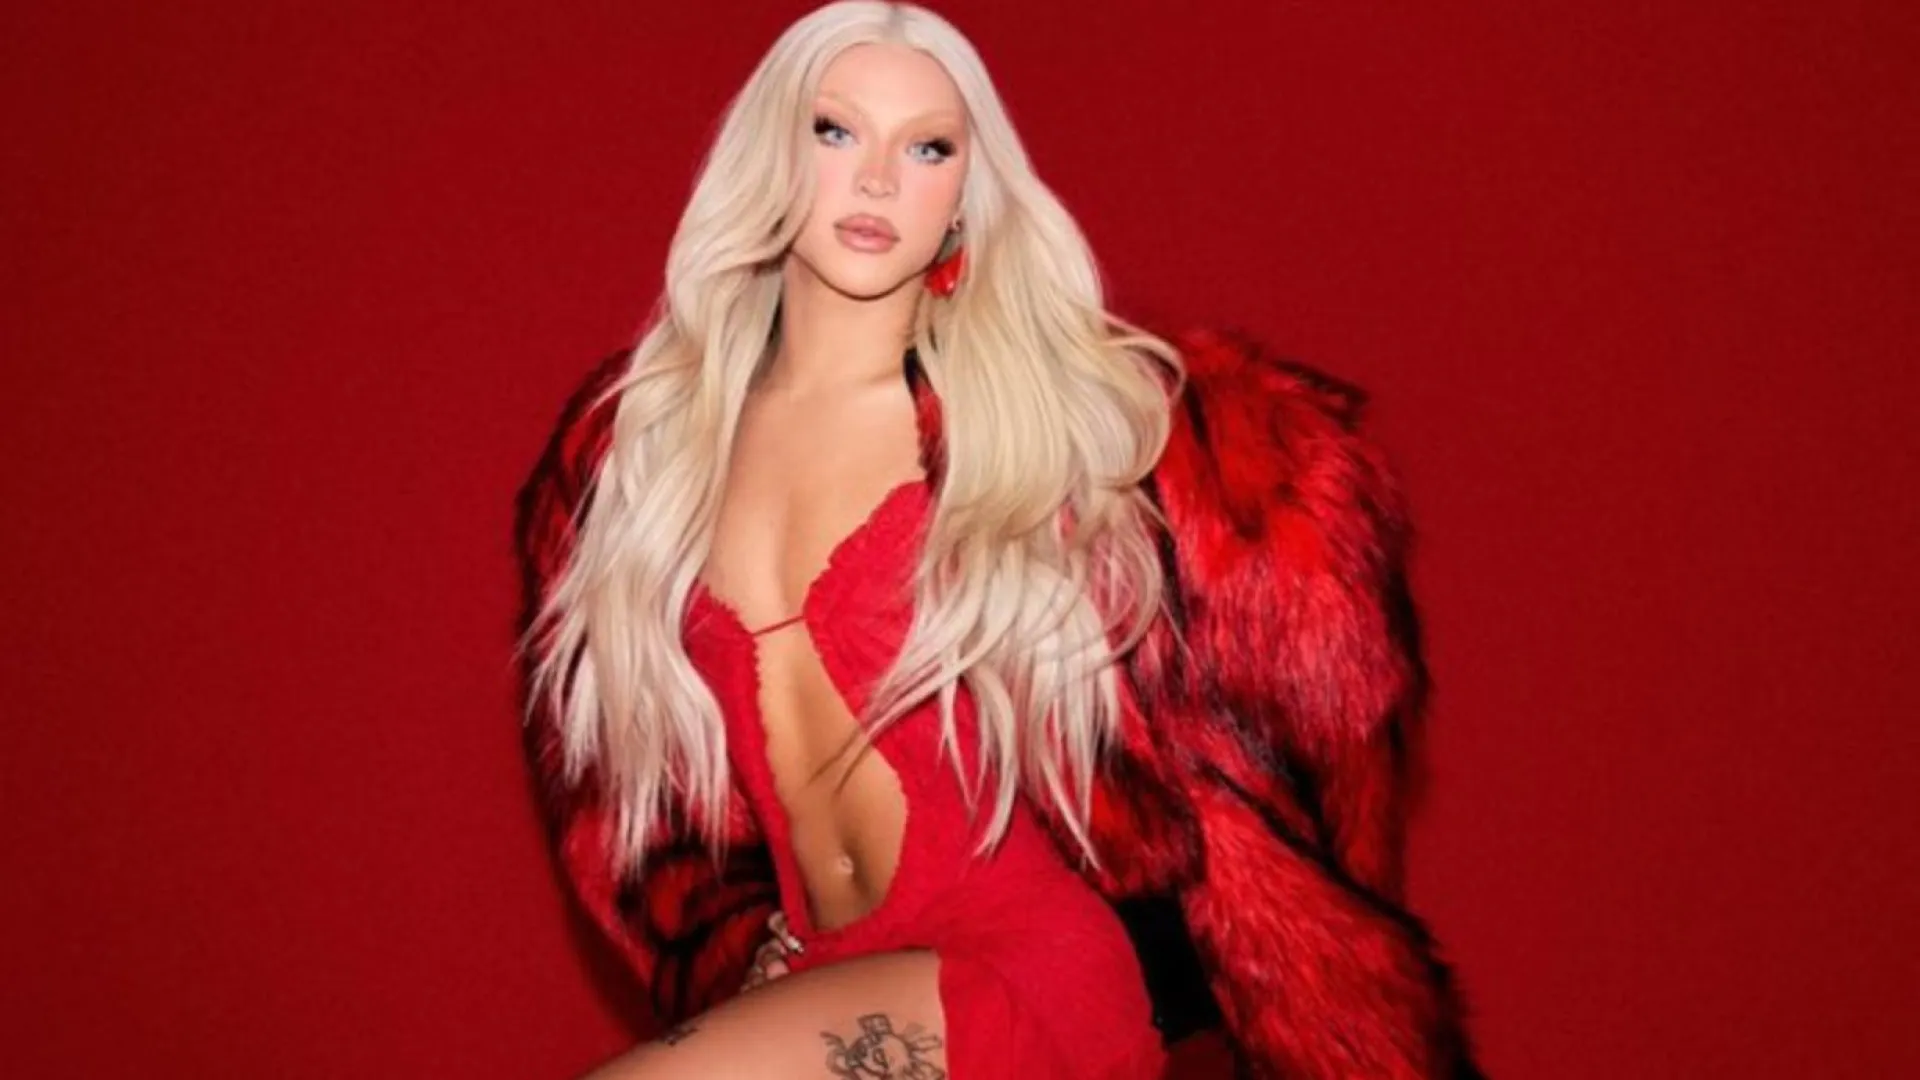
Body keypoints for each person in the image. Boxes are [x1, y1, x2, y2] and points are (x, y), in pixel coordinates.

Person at [516, 3, 1480, 1077]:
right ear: (768, 152)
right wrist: (744, 949)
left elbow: (1296, 645)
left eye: (927, 148)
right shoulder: (657, 454)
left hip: (1021, 970)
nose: (878, 179)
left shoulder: (1025, 431)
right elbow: (643, 807)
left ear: (964, 201)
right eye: (835, 131)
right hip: (828, 975)